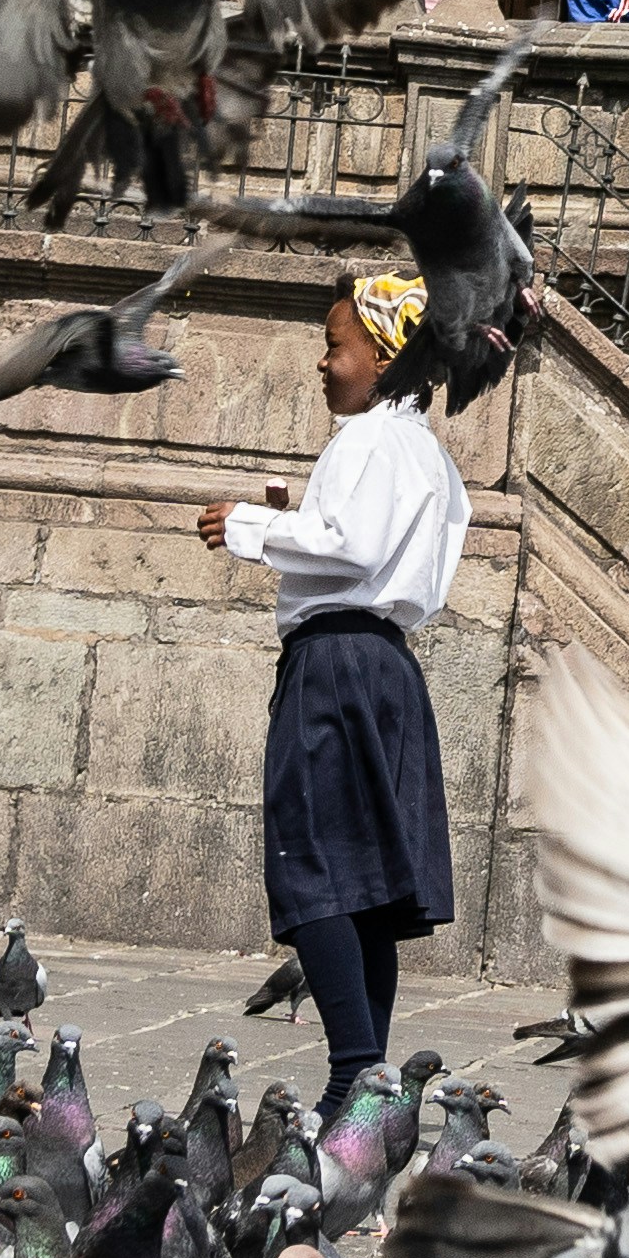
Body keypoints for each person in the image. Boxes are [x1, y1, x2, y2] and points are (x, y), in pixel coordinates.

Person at [204, 266, 464, 1089]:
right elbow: (375, 542)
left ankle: (353, 1072)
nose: (323, 362)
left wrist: (250, 525)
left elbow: (349, 544)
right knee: (367, 881)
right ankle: (368, 1080)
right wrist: (292, 517)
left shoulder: (372, 436)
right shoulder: (423, 452)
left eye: (334, 344)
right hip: (385, 665)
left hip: (337, 665)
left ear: (386, 356)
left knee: (312, 863)